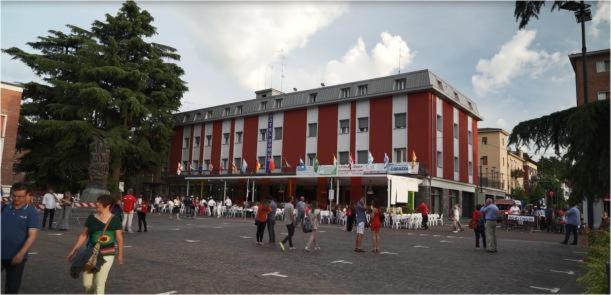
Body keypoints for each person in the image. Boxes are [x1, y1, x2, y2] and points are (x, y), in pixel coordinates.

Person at [66, 194, 123, 294]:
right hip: (91, 253)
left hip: (107, 254)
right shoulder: (91, 218)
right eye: (97, 201)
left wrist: (120, 255)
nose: (97, 204)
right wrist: (73, 250)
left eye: (100, 202)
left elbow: (119, 238)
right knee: (87, 284)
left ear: (108, 205)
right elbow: (83, 235)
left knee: (99, 283)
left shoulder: (115, 219)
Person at [1, 182, 40, 294]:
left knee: (12, 288)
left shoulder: (31, 212)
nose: (16, 198)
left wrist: (21, 254)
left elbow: (32, 235)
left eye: (20, 196)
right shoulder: (3, 208)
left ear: (27, 195)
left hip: (17, 256)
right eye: (14, 195)